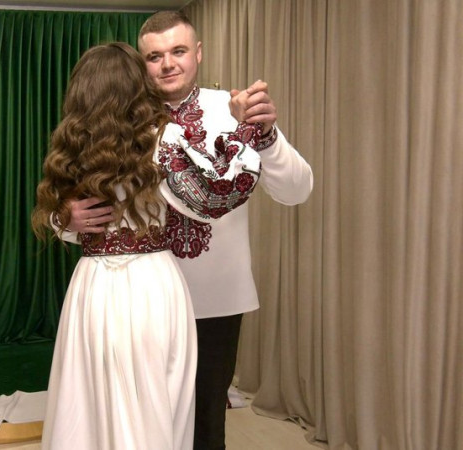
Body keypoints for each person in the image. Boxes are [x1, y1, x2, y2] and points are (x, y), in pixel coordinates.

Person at [63, 11, 314, 450]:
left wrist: (265, 135)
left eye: (178, 51)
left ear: (198, 53)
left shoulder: (234, 111)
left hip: (214, 297)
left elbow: (297, 190)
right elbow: (70, 198)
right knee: (132, 420)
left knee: (205, 423)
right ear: (140, 63)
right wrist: (65, 219)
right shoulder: (117, 117)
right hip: (136, 300)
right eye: (154, 56)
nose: (167, 64)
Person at [33, 41, 265, 450]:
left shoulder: (72, 143)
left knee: (92, 398)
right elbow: (212, 198)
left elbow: (53, 214)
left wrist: (61, 220)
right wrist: (243, 134)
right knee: (155, 397)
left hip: (95, 286)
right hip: (150, 283)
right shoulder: (162, 138)